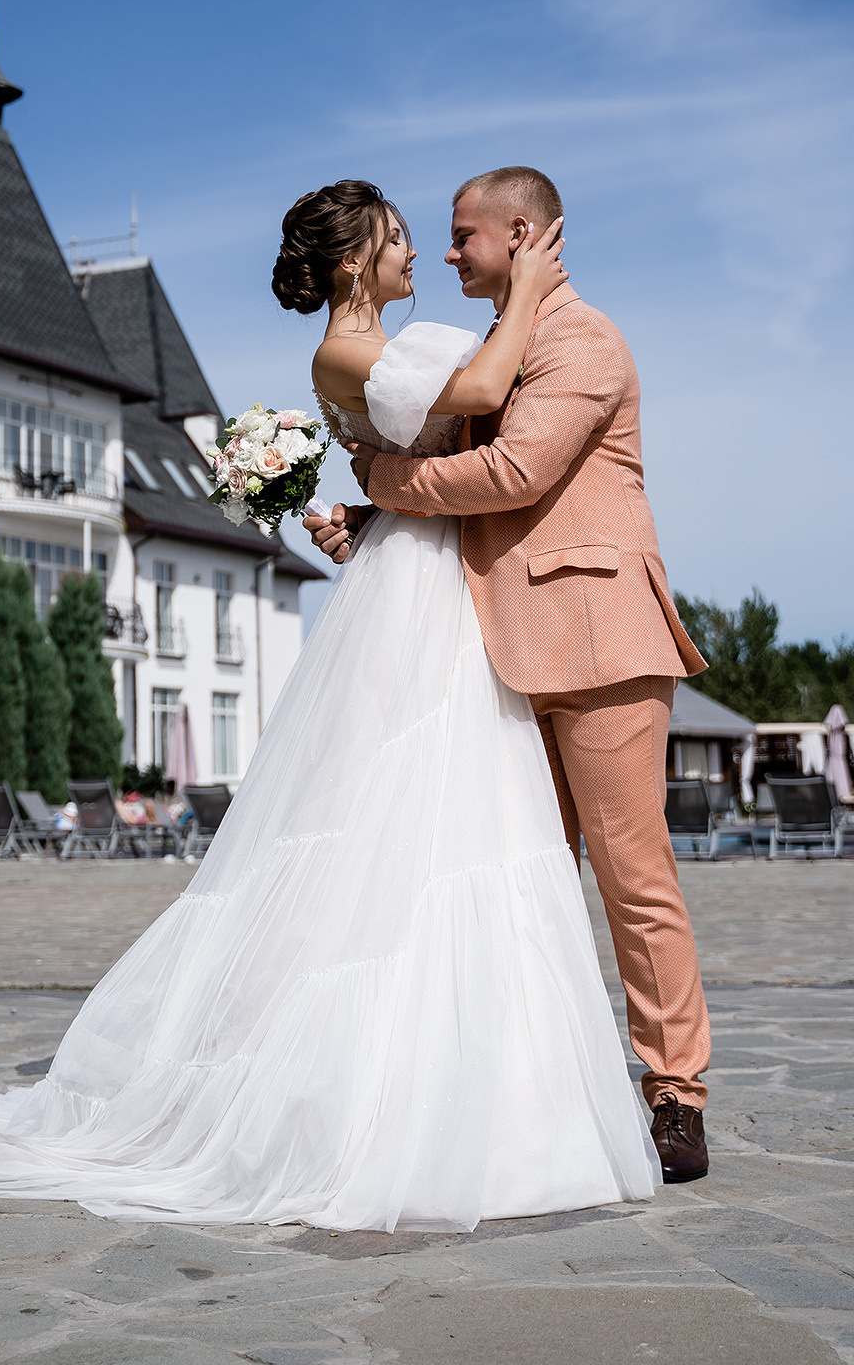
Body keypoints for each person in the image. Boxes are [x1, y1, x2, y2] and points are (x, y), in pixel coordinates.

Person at [0, 176, 662, 1232]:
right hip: (419, 589)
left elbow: (443, 433)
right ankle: (387, 1093)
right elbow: (487, 395)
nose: (418, 256)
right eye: (401, 240)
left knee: (465, 821)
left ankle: (500, 1088)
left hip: (441, 575)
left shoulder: (401, 345)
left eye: (429, 239)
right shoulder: (348, 355)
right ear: (355, 263)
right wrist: (530, 285)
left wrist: (364, 494)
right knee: (412, 812)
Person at [306, 166, 711, 1185]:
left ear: (520, 233)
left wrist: (381, 481)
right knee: (523, 878)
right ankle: (533, 1087)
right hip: (490, 650)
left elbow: (514, 473)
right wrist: (373, 520)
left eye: (461, 235)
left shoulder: (582, 340)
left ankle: (675, 1097)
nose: (446, 254)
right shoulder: (501, 342)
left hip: (595, 640)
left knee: (633, 876)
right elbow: (465, 465)